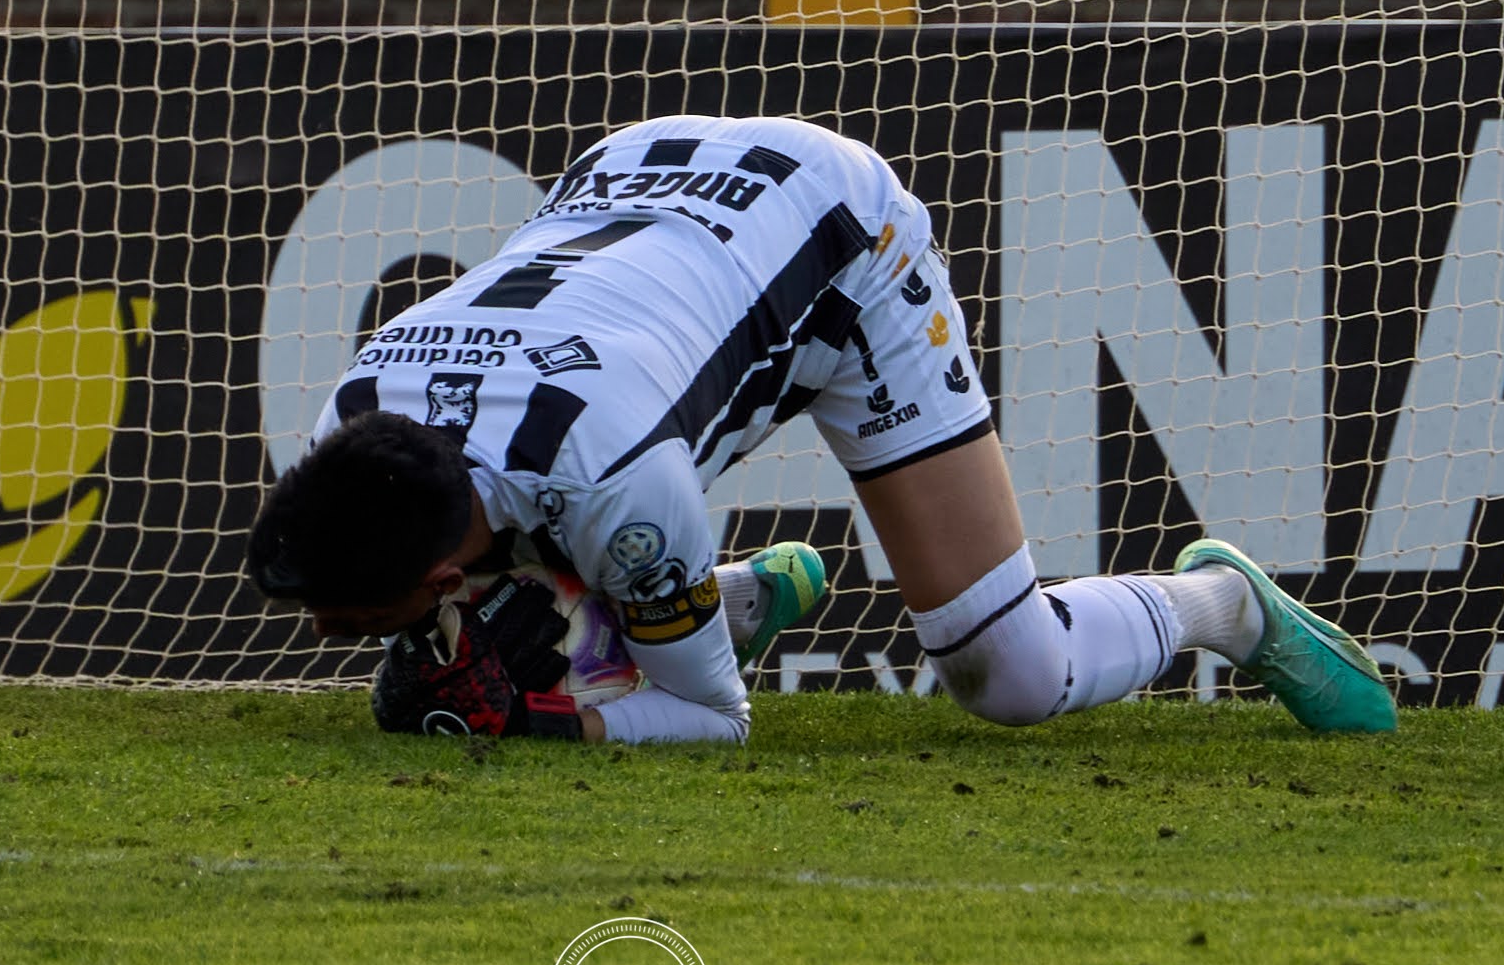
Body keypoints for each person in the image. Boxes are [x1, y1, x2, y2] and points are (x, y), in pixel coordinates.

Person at [246, 115, 1395, 744]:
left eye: (362, 620)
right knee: (552, 562)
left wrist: (549, 720)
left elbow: (708, 718)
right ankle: (734, 600)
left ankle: (1224, 604)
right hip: (632, 188)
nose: (337, 630)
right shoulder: (350, 419)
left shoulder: (614, 482)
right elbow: (487, 529)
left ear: (437, 565)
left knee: (1005, 671)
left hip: (839, 246)